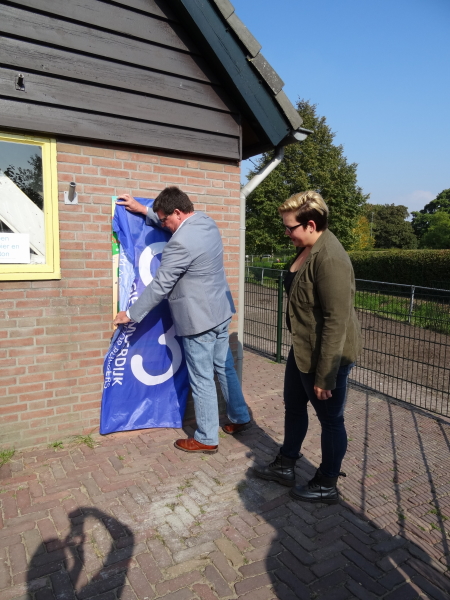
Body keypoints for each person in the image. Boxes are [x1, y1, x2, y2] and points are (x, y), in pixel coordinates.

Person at [113, 187, 251, 454]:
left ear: (178, 212)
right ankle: (240, 417)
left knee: (201, 378)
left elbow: (160, 285)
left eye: (164, 219)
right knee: (225, 367)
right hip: (220, 311)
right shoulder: (207, 222)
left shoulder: (180, 243)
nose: (164, 225)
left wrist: (130, 313)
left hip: (198, 320)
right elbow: (179, 228)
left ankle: (207, 437)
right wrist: (145, 211)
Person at [254, 191, 361, 504]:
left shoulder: (331, 259)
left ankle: (327, 483)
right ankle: (286, 464)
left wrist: (326, 375)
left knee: (330, 421)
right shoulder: (307, 247)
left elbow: (336, 320)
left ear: (311, 224)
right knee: (293, 406)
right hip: (302, 348)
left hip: (326, 356)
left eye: (290, 228)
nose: (286, 233)